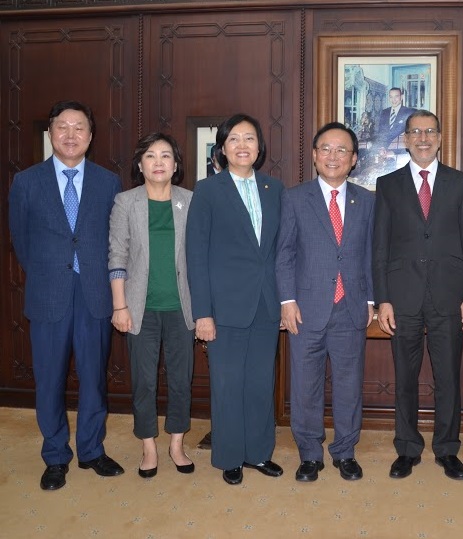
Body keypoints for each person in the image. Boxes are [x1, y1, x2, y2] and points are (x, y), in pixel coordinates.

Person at [9, 100, 124, 490]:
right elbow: (21, 240)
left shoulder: (108, 182)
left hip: (94, 293)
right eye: (63, 127)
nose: (70, 135)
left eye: (79, 128)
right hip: (49, 294)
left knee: (94, 379)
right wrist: (51, 272)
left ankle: (91, 450)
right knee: (49, 380)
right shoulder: (26, 182)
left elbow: (115, 240)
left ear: (90, 136)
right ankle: (55, 455)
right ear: (51, 133)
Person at [373, 109, 463, 481]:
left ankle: (447, 449)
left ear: (440, 138)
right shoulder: (388, 185)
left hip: (449, 296)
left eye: (430, 131)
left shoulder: (461, 183)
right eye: (416, 132)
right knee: (405, 377)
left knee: (448, 377)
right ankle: (407, 448)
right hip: (402, 296)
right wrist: (383, 299)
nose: (423, 138)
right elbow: (379, 247)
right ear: (405, 139)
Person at [186, 113, 284, 485]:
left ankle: (258, 453)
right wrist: (203, 313)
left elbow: (281, 251)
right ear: (223, 149)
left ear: (260, 147)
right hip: (224, 306)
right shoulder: (208, 190)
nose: (243, 145)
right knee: (227, 384)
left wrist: (284, 301)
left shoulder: (275, 188)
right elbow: (196, 255)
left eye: (250, 138)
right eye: (234, 139)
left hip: (265, 304)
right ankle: (229, 456)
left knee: (260, 383)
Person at [276, 122, 374, 482]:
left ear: (354, 159)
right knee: (305, 385)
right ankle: (309, 454)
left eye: (342, 150)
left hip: (351, 306)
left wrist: (371, 299)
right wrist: (287, 300)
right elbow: (284, 253)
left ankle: (345, 452)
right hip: (305, 308)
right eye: (326, 149)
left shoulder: (367, 200)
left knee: (349, 385)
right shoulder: (294, 198)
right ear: (315, 156)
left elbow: (371, 254)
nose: (334, 156)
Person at [108, 133, 195, 479]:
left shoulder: (191, 201)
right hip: (139, 308)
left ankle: (176, 444)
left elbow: (200, 257)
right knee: (144, 382)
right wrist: (119, 306)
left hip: (182, 308)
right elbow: (117, 254)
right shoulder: (125, 202)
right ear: (140, 165)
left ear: (175, 165)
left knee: (180, 380)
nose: (158, 162)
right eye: (150, 156)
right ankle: (148, 446)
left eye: (166, 156)